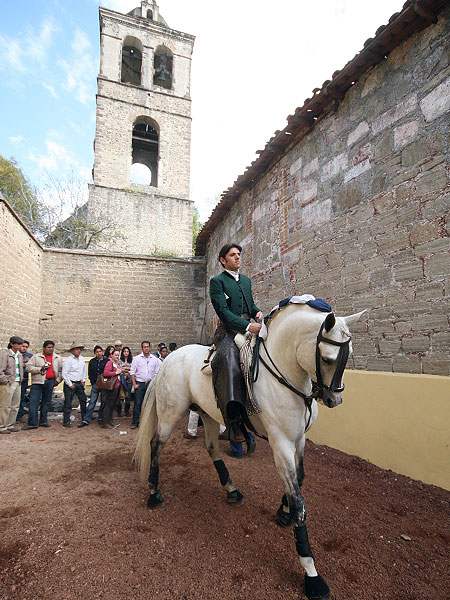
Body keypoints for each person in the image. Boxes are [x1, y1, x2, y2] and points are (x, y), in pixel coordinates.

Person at [209, 243, 263, 442]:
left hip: (249, 326)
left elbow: (250, 304)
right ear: (223, 260)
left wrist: (256, 312)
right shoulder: (217, 282)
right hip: (228, 331)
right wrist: (247, 326)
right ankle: (233, 419)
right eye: (233, 255)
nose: (238, 257)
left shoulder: (247, 280)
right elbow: (223, 312)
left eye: (239, 254)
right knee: (229, 359)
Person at [23, 340, 63, 430]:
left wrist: (58, 380)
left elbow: (61, 371)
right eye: (49, 347)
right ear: (44, 348)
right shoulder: (36, 357)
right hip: (37, 382)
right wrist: (39, 369)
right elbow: (28, 368)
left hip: (50, 382)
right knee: (33, 402)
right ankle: (32, 423)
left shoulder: (57, 358)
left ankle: (43, 421)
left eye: (52, 347)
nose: (51, 349)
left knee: (46, 402)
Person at [130, 341, 161, 429]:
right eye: (144, 347)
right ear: (142, 348)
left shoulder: (155, 359)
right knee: (137, 404)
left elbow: (157, 372)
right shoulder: (136, 359)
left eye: (148, 347)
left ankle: (147, 423)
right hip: (139, 384)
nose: (146, 348)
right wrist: (134, 384)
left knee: (150, 404)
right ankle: (135, 422)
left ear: (150, 348)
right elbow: (132, 372)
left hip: (150, 384)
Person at [79, 345, 108, 428]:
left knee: (103, 402)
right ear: (95, 353)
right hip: (95, 384)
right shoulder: (92, 361)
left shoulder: (107, 361)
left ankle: (101, 417)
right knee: (92, 401)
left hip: (104, 384)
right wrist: (93, 382)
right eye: (97, 352)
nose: (99, 353)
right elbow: (90, 373)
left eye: (100, 351)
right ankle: (86, 419)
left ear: (102, 352)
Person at [0, 335, 24, 434]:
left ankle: (10, 424)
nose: (20, 346)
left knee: (15, 405)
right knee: (5, 405)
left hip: (18, 382)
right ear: (11, 344)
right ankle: (2, 426)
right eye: (18, 344)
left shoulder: (19, 355)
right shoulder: (5, 354)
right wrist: (5, 380)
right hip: (8, 382)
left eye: (21, 344)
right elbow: (0, 370)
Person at [61, 343, 87, 427]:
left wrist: (83, 380)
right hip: (70, 383)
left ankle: (84, 418)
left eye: (79, 349)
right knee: (68, 403)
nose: (78, 351)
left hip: (79, 383)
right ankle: (66, 421)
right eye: (76, 349)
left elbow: (84, 370)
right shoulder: (68, 360)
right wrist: (69, 383)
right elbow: (64, 373)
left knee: (83, 400)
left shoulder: (82, 359)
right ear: (72, 351)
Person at [101, 349, 123, 429]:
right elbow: (106, 373)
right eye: (115, 355)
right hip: (111, 387)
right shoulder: (109, 363)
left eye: (118, 355)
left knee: (112, 405)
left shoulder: (115, 363)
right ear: (111, 355)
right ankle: (105, 422)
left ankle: (110, 421)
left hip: (116, 386)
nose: (117, 356)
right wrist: (116, 373)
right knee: (108, 405)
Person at [16, 340, 33, 423]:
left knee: (22, 398)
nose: (24, 348)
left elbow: (31, 366)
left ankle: (19, 416)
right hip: (15, 379)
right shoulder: (15, 355)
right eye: (23, 346)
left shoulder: (30, 356)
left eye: (26, 347)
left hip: (24, 380)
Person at [119, 346, 133, 417]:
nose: (126, 353)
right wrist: (127, 369)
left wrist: (125, 368)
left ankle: (127, 411)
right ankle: (119, 411)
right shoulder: (119, 360)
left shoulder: (132, 360)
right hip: (122, 379)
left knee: (128, 395)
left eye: (127, 351)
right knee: (121, 395)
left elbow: (132, 368)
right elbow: (120, 368)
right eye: (124, 351)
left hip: (130, 379)